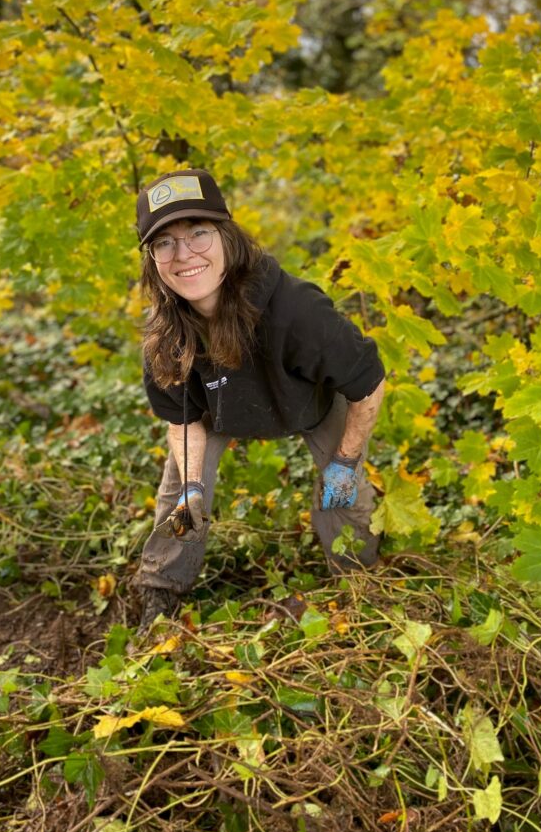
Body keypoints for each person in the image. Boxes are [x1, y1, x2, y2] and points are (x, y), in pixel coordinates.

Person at [133, 168, 386, 627]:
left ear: (227, 235)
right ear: (151, 259)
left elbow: (367, 384)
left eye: (198, 233)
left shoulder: (298, 311)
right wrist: (193, 486)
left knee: (342, 495)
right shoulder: (165, 331)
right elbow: (182, 419)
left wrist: (345, 461)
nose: (183, 254)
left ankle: (361, 589)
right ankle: (160, 592)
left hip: (311, 406)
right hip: (218, 412)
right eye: (164, 243)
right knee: (180, 497)